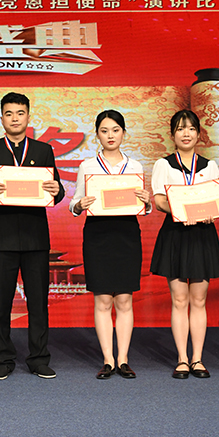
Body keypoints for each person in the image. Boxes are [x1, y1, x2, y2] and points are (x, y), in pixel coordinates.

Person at [0, 92, 65, 380]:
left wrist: (57, 190)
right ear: (1, 118)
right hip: (2, 239)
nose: (15, 118)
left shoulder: (44, 150)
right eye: (9, 113)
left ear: (28, 116)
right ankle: (2, 358)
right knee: (0, 302)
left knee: (38, 303)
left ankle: (38, 358)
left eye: (20, 113)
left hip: (36, 238)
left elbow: (57, 190)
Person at [70, 110, 150, 380]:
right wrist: (79, 205)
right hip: (98, 235)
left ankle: (123, 360)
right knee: (103, 299)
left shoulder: (135, 166)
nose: (110, 136)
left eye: (115, 130)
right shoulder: (88, 167)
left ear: (124, 133)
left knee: (125, 299)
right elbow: (74, 202)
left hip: (127, 234)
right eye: (104, 131)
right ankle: (108, 360)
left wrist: (147, 202)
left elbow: (143, 207)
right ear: (97, 135)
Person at [150, 109, 219, 379]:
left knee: (199, 299)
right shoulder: (163, 165)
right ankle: (182, 358)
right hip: (176, 234)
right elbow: (159, 201)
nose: (186, 133)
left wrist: (210, 212)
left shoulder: (210, 166)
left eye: (191, 129)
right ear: (172, 135)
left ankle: (198, 359)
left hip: (202, 234)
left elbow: (216, 200)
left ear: (198, 134)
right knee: (180, 299)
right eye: (180, 129)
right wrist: (181, 211)